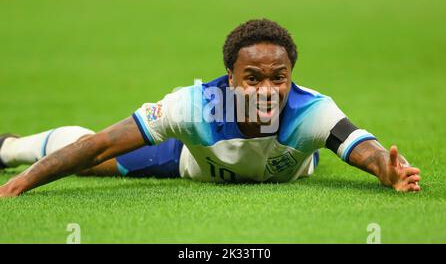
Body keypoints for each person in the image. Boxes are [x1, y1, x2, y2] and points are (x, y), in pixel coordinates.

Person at [0, 19, 421, 197]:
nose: (267, 89)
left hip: (292, 165)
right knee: (94, 162)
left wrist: (386, 167)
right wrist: (19, 184)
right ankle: (9, 149)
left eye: (279, 77)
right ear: (230, 76)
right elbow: (100, 144)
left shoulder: (313, 111)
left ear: (291, 75)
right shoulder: (192, 107)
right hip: (192, 164)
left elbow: (364, 148)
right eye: (252, 78)